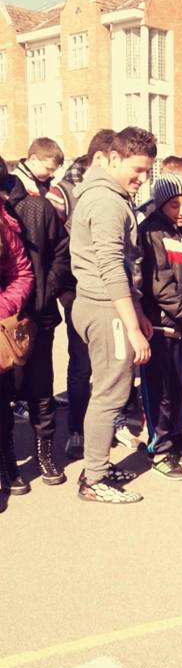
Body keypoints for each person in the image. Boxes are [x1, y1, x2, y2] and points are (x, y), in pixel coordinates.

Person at [70, 126, 156, 504]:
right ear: (114, 159)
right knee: (110, 394)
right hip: (105, 308)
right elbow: (109, 266)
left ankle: (98, 468)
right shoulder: (106, 201)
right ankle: (94, 479)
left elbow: (121, 263)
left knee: (109, 391)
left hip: (108, 305)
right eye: (137, 170)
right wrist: (132, 327)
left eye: (147, 172)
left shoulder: (108, 195)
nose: (142, 179)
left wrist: (137, 311)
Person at [46, 129, 117, 461]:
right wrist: (64, 294)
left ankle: (101, 429)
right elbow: (52, 247)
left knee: (106, 368)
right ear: (100, 159)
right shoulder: (63, 193)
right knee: (81, 365)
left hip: (107, 294)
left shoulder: (112, 193)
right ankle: (77, 429)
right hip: (77, 293)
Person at [6, 138, 71, 485]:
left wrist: (46, 291)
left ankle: (45, 454)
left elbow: (62, 251)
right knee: (4, 392)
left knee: (41, 388)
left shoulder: (36, 207)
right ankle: (8, 462)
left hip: (38, 316)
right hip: (5, 319)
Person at [140, 173, 182, 479]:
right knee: (159, 392)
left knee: (178, 388)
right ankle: (158, 449)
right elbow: (160, 286)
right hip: (159, 327)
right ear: (160, 204)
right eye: (173, 205)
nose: (181, 211)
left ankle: (170, 441)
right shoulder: (151, 232)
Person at [0, 159, 35, 497]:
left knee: (2, 404)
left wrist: (3, 307)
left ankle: (7, 462)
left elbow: (22, 272)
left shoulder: (3, 222)